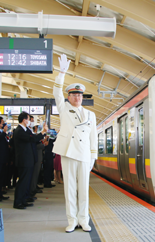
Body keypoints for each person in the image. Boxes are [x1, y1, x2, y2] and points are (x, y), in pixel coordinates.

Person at [52, 54, 98, 233]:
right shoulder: (63, 109)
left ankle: (84, 220)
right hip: (69, 152)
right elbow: (56, 92)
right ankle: (71, 220)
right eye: (74, 94)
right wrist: (62, 73)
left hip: (85, 154)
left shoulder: (90, 115)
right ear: (68, 97)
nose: (77, 97)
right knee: (69, 189)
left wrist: (93, 156)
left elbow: (93, 137)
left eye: (79, 95)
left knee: (84, 190)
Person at [13, 111, 47, 209]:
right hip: (24, 160)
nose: (30, 121)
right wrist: (43, 132)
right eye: (28, 119)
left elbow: (33, 138)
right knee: (22, 181)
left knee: (26, 181)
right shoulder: (19, 131)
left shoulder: (25, 130)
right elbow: (32, 139)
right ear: (24, 120)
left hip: (29, 160)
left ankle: (24, 199)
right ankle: (18, 202)